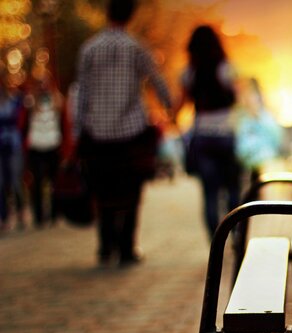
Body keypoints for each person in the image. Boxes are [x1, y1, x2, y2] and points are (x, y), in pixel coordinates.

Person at [76, 0, 173, 268]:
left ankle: (105, 246)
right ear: (130, 15)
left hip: (97, 133)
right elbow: (156, 79)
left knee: (103, 188)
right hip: (131, 132)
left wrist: (78, 130)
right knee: (132, 189)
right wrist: (169, 105)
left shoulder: (89, 48)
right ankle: (127, 248)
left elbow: (81, 92)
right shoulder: (135, 47)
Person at [177, 25, 240, 237]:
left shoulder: (189, 73)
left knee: (209, 194)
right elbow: (237, 98)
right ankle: (236, 237)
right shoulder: (225, 68)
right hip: (226, 136)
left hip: (202, 137)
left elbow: (181, 105)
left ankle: (216, 246)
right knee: (233, 189)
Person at [24, 75, 70, 228]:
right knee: (37, 182)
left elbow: (65, 126)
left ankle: (54, 214)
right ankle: (39, 216)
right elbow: (23, 126)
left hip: (53, 145)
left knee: (54, 182)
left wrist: (65, 149)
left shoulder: (58, 101)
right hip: (36, 146)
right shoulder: (30, 102)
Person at [235, 77, 284, 181]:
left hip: (266, 165)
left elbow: (277, 140)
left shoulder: (267, 119)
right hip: (248, 167)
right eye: (248, 96)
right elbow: (240, 148)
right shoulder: (244, 121)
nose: (251, 100)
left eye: (253, 96)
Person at [0, 75, 26, 232]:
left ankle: (20, 212)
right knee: (0, 183)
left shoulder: (15, 100)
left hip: (14, 146)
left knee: (16, 181)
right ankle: (4, 218)